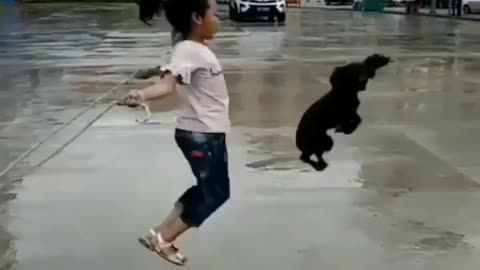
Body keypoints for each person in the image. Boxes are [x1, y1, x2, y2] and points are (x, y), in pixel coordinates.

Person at [120, 0, 230, 266]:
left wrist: (156, 70)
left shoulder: (190, 48)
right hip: (202, 135)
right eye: (214, 14)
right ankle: (164, 238)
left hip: (203, 133)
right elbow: (169, 85)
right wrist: (142, 93)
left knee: (205, 189)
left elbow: (177, 72)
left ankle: (158, 233)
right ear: (197, 17)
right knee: (216, 194)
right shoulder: (190, 49)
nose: (219, 20)